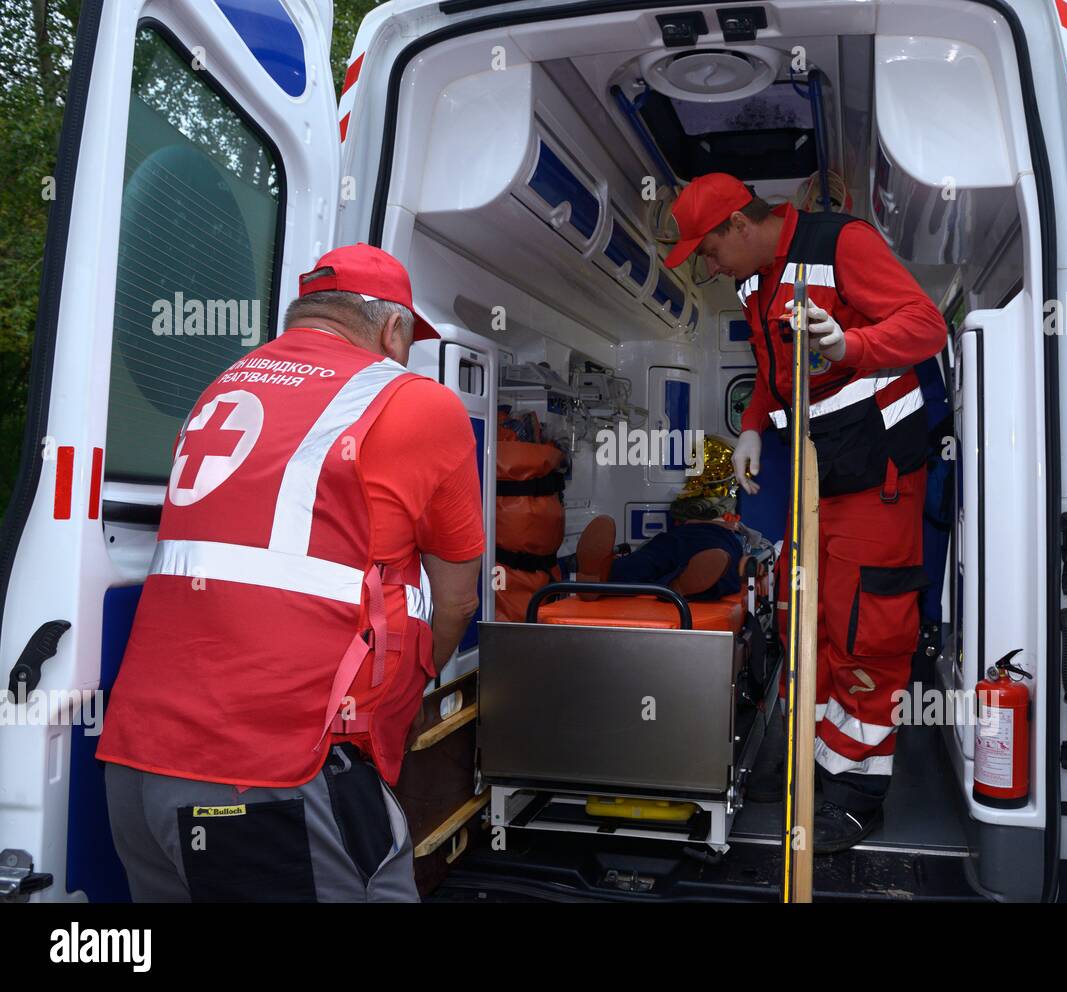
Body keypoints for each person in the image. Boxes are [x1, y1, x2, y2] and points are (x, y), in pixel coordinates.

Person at [96, 244, 484, 901]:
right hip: (274, 776)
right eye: (406, 339)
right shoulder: (418, 404)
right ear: (392, 327)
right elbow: (455, 601)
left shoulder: (222, 389)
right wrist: (403, 702)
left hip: (139, 771)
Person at [665, 173, 947, 852]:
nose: (706, 266)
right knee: (809, 624)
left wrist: (851, 346)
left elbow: (927, 326)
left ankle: (857, 794)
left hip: (878, 478)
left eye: (707, 250)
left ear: (737, 224)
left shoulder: (841, 243)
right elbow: (771, 373)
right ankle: (813, 766)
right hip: (819, 481)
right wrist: (754, 427)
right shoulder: (757, 283)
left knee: (864, 632)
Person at [575, 437, 749, 600]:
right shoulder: (731, 494)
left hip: (680, 536)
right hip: (716, 541)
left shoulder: (693, 491)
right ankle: (676, 586)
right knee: (723, 572)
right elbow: (752, 546)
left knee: (647, 560)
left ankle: (602, 576)